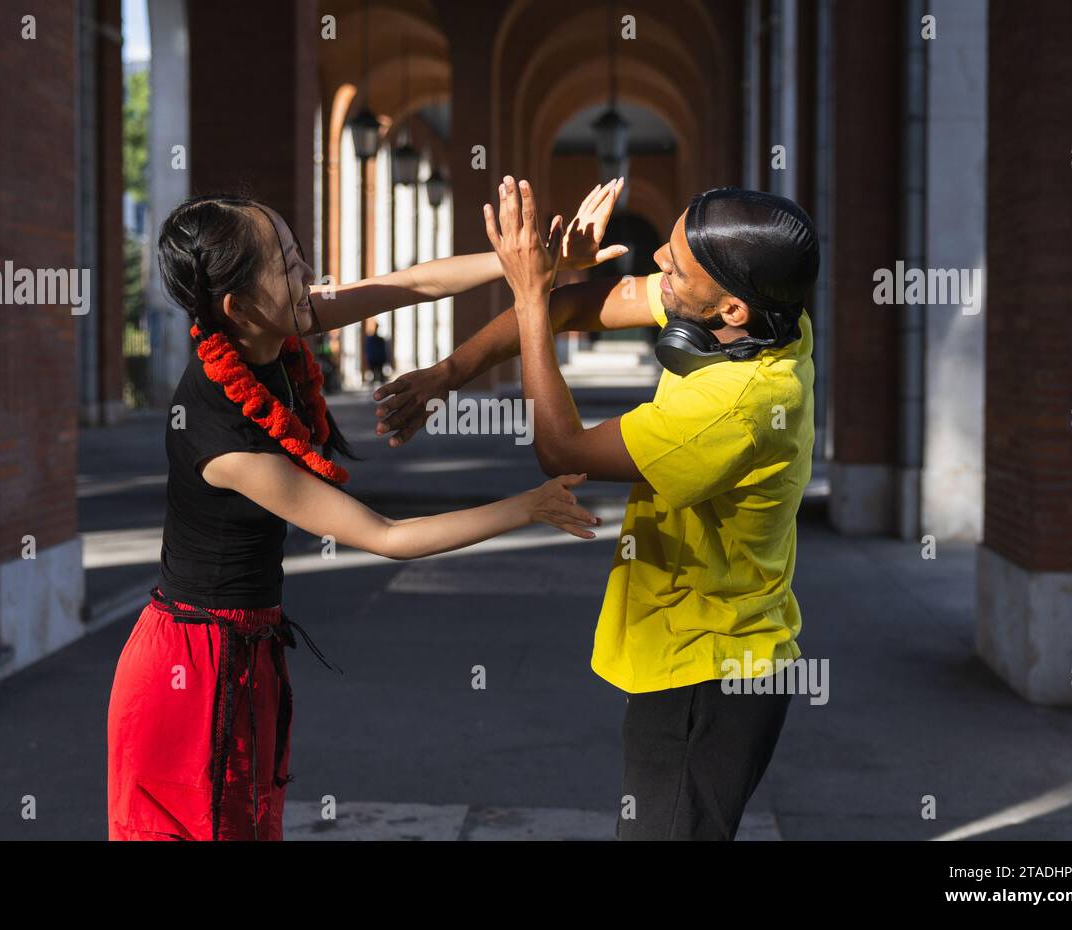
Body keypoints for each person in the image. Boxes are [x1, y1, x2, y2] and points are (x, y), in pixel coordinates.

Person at [107, 187, 624, 841]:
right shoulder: (227, 441)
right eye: (287, 265)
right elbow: (384, 535)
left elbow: (407, 283)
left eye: (297, 254)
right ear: (239, 305)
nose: (307, 276)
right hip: (194, 672)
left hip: (244, 650)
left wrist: (528, 262)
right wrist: (525, 507)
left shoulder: (269, 328)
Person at [376, 178, 819, 840]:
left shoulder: (738, 407)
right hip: (703, 656)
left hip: (708, 674)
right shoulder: (764, 314)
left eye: (675, 265)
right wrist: (448, 373)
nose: (658, 265)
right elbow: (574, 307)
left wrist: (528, 293)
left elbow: (561, 450)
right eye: (667, 248)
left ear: (730, 310)